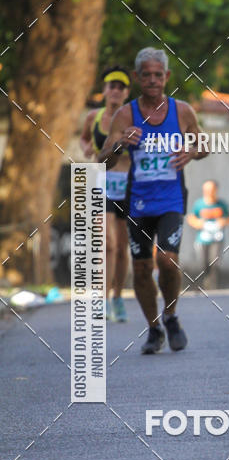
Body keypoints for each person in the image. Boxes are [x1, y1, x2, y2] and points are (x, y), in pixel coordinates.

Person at [99, 47, 208, 353]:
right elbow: (101, 159)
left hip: (172, 198)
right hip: (137, 202)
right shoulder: (125, 114)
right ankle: (154, 328)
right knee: (143, 268)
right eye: (145, 75)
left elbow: (203, 145)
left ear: (167, 77)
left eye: (158, 75)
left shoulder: (183, 111)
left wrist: (193, 151)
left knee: (167, 261)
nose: (152, 80)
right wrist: (119, 144)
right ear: (137, 77)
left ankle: (171, 315)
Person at [80, 66, 131, 322]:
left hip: (129, 182)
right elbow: (84, 139)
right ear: (104, 90)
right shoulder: (93, 117)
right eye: (112, 85)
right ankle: (100, 297)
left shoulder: (132, 117)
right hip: (103, 180)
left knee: (122, 246)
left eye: (121, 87)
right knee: (106, 242)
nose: (115, 90)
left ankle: (118, 297)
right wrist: (87, 148)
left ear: (126, 93)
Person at [186, 180, 229, 289]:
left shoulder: (221, 204)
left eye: (211, 190)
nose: (208, 192)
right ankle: (204, 284)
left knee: (214, 262)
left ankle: (212, 286)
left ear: (215, 190)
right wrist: (198, 223)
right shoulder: (199, 204)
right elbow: (191, 218)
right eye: (206, 190)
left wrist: (223, 221)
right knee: (204, 263)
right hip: (202, 239)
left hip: (217, 238)